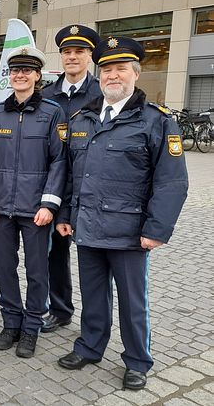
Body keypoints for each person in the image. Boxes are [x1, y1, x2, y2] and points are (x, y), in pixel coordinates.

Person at [56, 37, 188, 390]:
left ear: (135, 75)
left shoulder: (155, 121)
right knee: (93, 295)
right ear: (99, 76)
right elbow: (71, 175)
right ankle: (89, 346)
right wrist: (66, 214)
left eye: (121, 69)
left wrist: (157, 229)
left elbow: (172, 182)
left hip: (130, 232)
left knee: (133, 302)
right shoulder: (82, 119)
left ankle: (137, 360)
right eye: (107, 70)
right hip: (87, 226)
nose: (113, 76)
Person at [0, 46, 67, 358]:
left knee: (37, 271)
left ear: (37, 75)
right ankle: (11, 323)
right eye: (15, 70)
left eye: (26, 70)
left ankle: (31, 328)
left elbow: (59, 161)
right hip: (0, 208)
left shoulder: (52, 113)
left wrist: (49, 205)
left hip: (36, 211)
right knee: (4, 267)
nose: (19, 75)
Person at [40, 24, 102, 333]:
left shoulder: (102, 94)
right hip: (55, 187)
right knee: (56, 254)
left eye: (79, 51)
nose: (72, 57)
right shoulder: (47, 95)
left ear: (90, 56)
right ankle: (60, 309)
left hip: (89, 189)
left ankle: (95, 324)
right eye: (67, 52)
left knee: (93, 261)